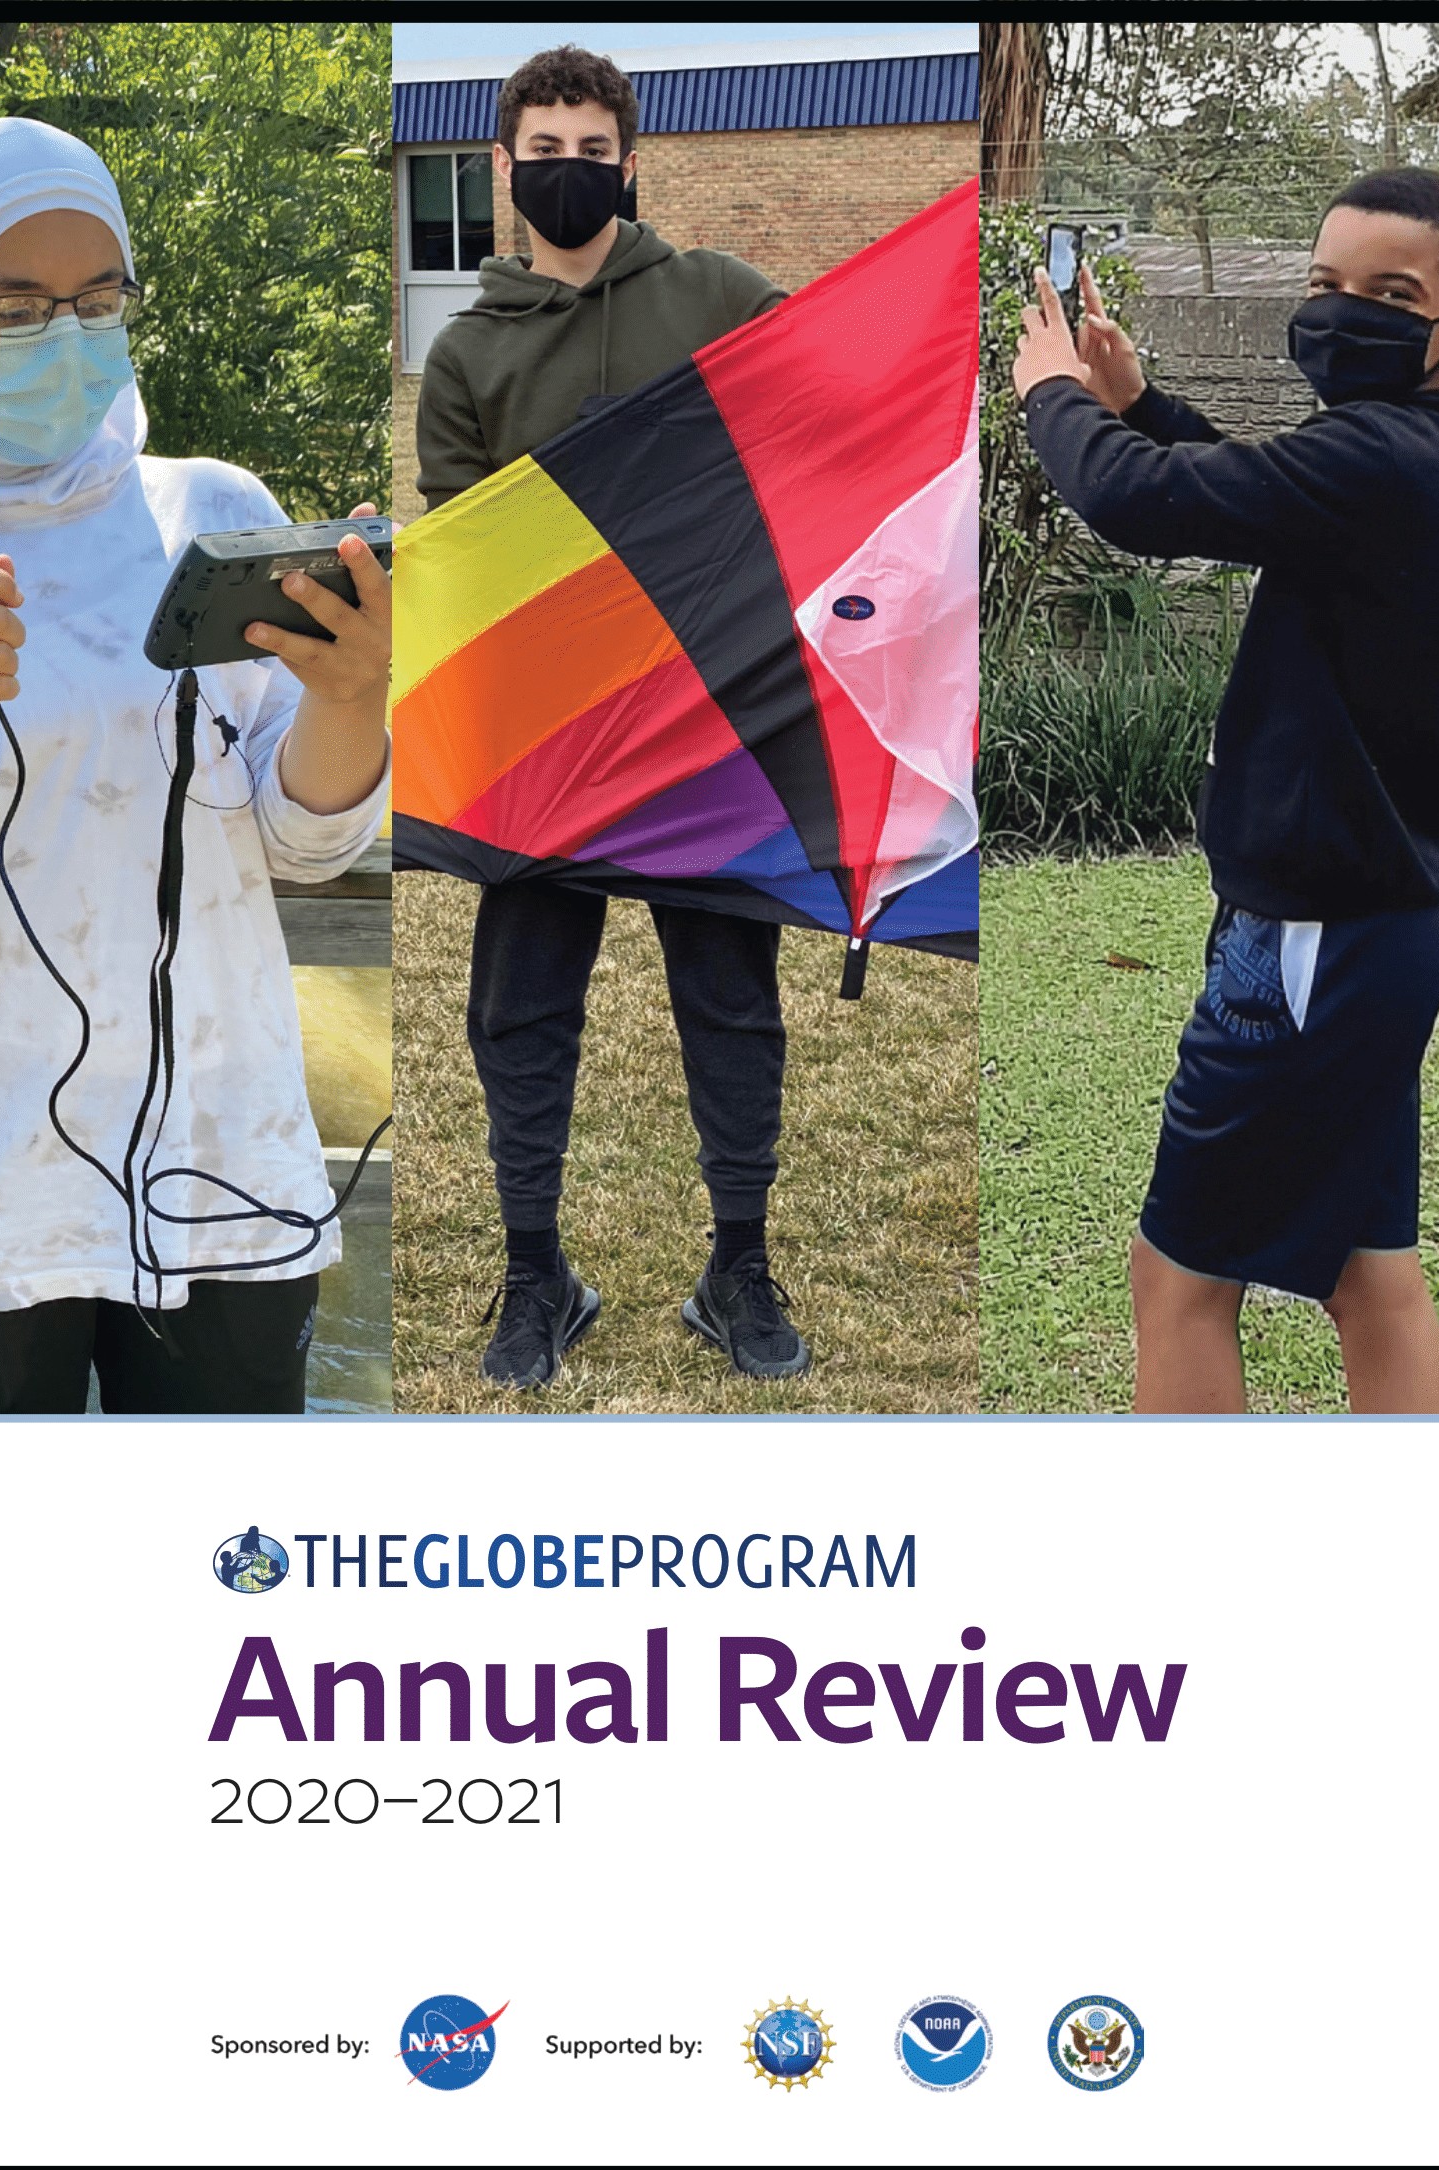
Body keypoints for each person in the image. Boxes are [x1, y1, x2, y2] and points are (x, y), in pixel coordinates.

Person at [0, 118, 391, 1415]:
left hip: (221, 1171)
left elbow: (303, 848)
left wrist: (349, 696)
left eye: (97, 299)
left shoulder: (214, 513)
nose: (67, 334)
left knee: (211, 1571)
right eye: (16, 306)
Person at [1012, 168, 1439, 1414]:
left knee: (1178, 1276)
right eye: (1325, 284)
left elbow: (1140, 504)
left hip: (1310, 939)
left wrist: (1053, 400)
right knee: (1367, 1274)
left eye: (1391, 294)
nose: (1344, 313)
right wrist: (1144, 403)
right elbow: (1278, 499)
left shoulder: (1385, 453)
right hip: (1380, 922)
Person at [415, 43, 810, 1390]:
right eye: (545, 150)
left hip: (704, 716)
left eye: (593, 152)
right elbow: (465, 549)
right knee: (519, 1007)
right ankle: (539, 1274)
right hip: (549, 735)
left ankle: (736, 1268)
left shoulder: (714, 296)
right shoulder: (466, 353)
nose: (567, 173)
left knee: (729, 998)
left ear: (629, 163)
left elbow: (823, 403)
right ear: (503, 165)